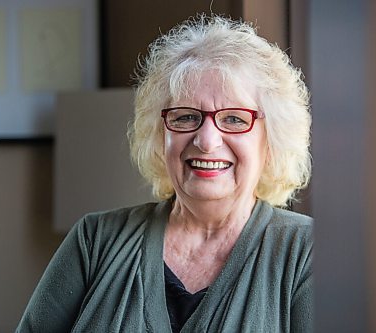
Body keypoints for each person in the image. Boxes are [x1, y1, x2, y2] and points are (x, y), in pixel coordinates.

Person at [16, 14, 313, 333]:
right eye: (186, 117)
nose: (206, 141)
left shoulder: (307, 251)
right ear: (161, 136)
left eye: (235, 119)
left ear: (272, 142)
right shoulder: (94, 240)